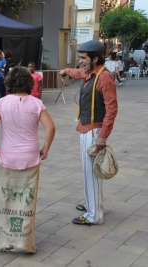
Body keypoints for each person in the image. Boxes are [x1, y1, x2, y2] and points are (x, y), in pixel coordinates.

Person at [0, 66, 55, 252]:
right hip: (31, 156)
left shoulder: (2, 102)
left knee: (6, 198)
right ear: (29, 83)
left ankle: (7, 240)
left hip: (7, 155)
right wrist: (45, 149)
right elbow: (50, 127)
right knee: (27, 199)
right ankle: (25, 241)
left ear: (9, 83)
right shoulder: (36, 104)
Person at [59, 40, 118, 225]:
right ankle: (93, 205)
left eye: (83, 58)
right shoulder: (90, 73)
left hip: (94, 131)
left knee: (91, 173)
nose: (80, 61)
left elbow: (112, 109)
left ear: (95, 58)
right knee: (89, 172)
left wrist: (102, 136)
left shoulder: (104, 77)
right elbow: (77, 72)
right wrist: (65, 71)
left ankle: (94, 216)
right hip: (86, 128)